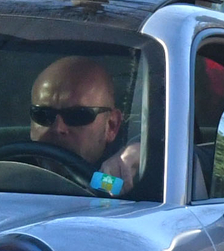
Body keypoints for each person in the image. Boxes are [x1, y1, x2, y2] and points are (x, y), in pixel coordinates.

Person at [27, 56, 140, 192]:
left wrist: (139, 155)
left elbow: (120, 189)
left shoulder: (108, 177)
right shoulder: (4, 174)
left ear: (111, 125)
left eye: (77, 115)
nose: (58, 128)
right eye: (43, 114)